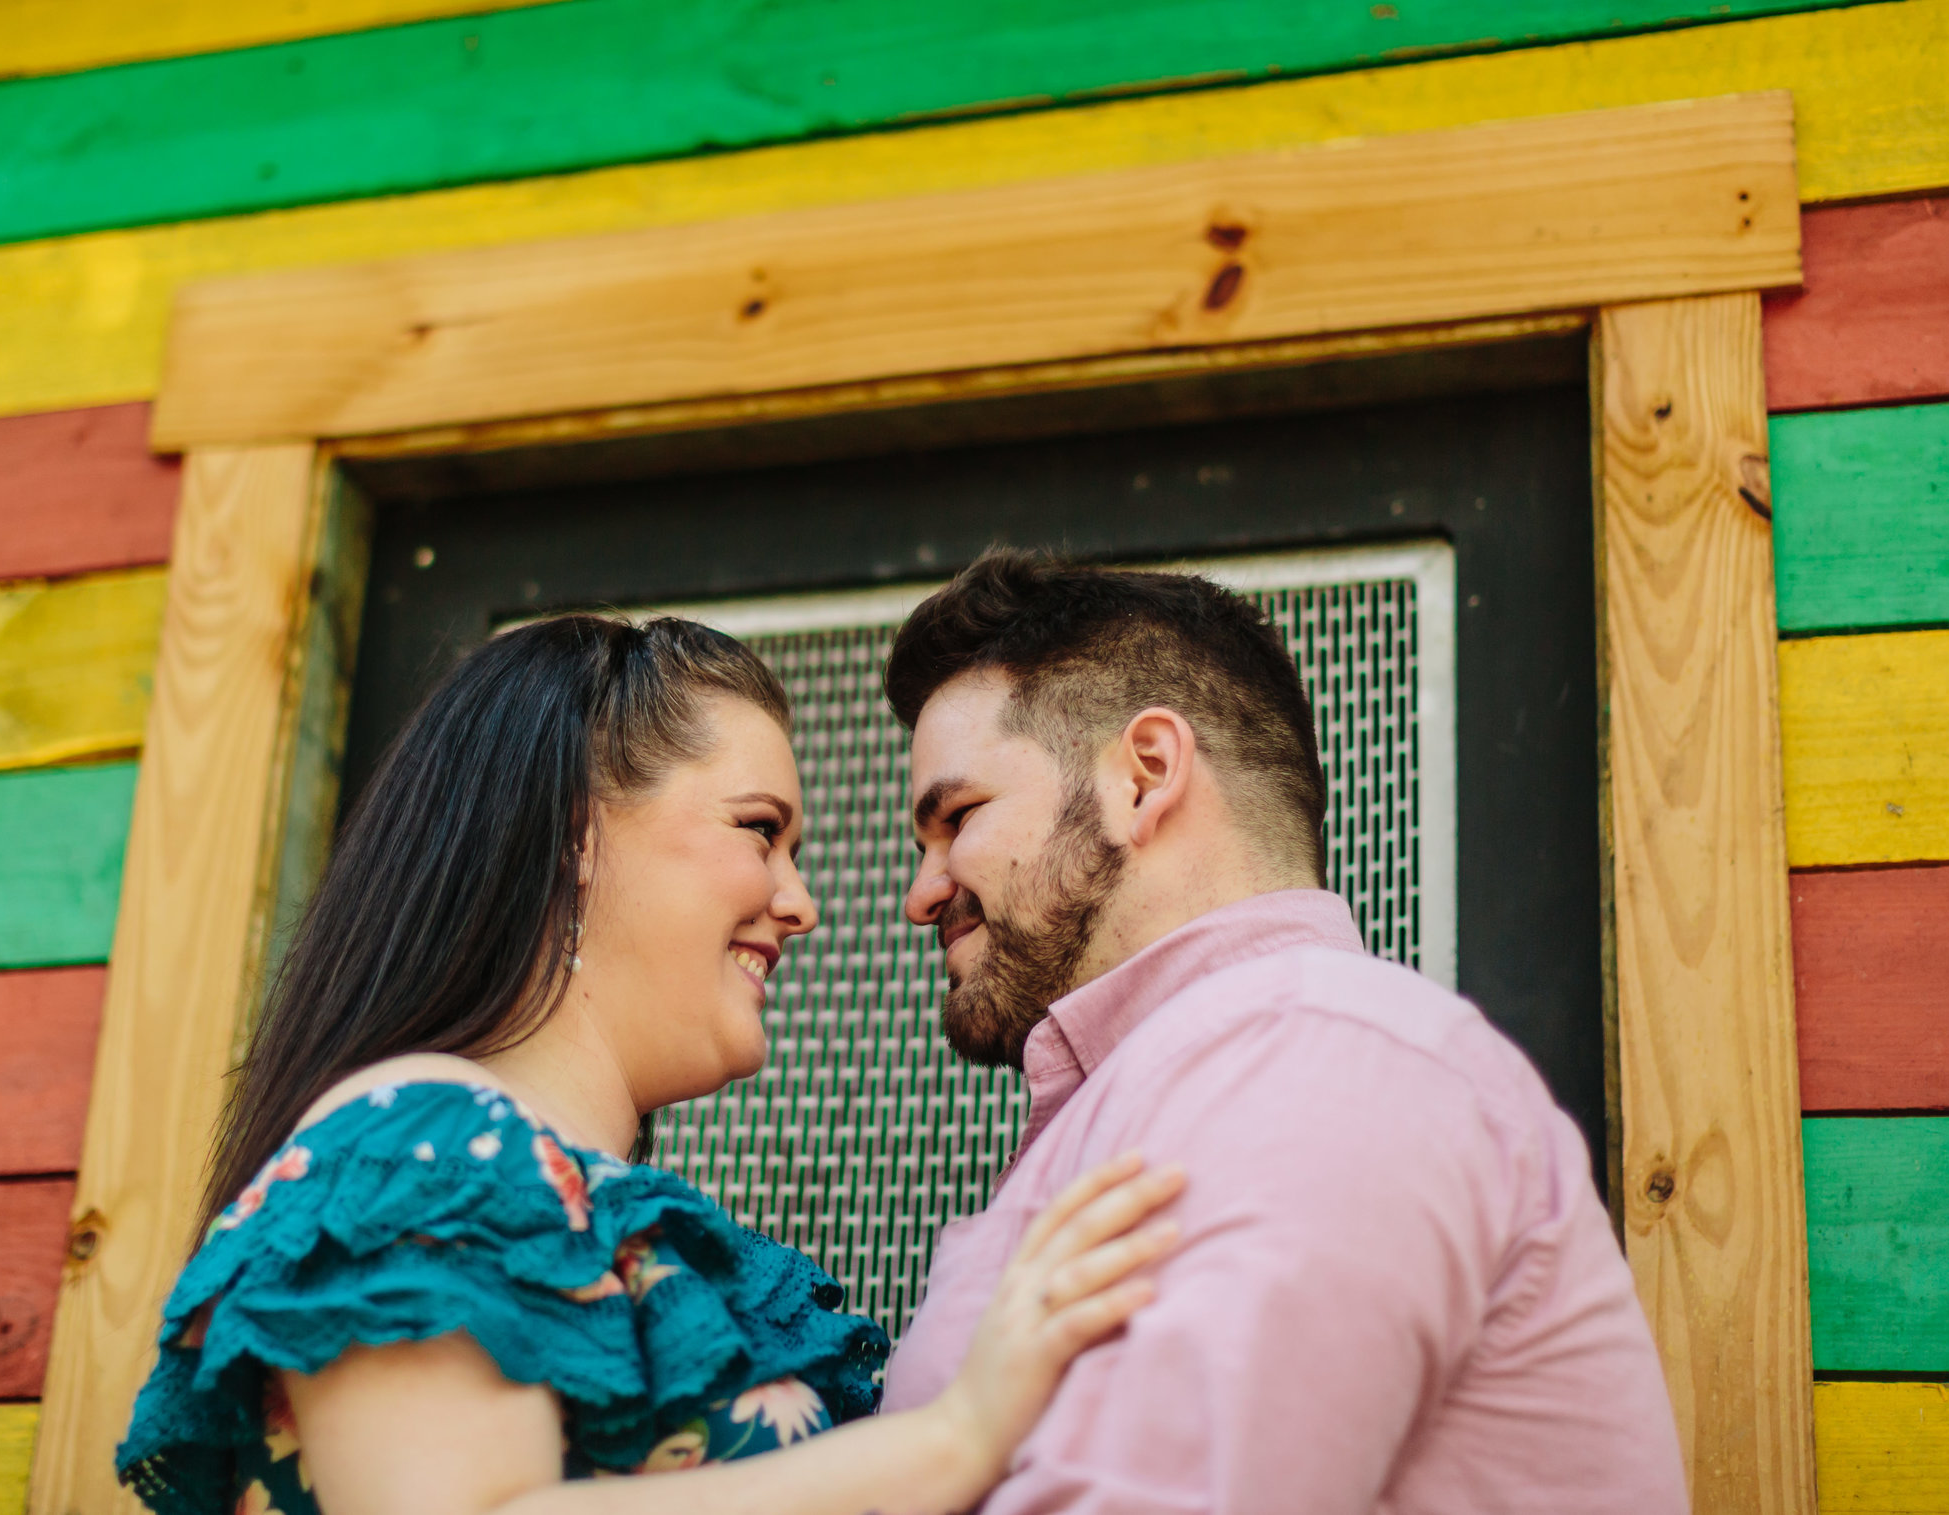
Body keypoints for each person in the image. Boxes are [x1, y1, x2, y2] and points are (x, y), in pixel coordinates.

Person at [118, 614, 1187, 1515]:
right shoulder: (418, 1142)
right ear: (575, 836)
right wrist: (953, 1437)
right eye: (757, 830)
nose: (801, 901)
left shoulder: (573, 1206)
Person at [878, 551, 1689, 1513]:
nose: (922, 893)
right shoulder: (1213, 1076)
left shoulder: (1316, 1063)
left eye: (959, 816)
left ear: (1143, 775)